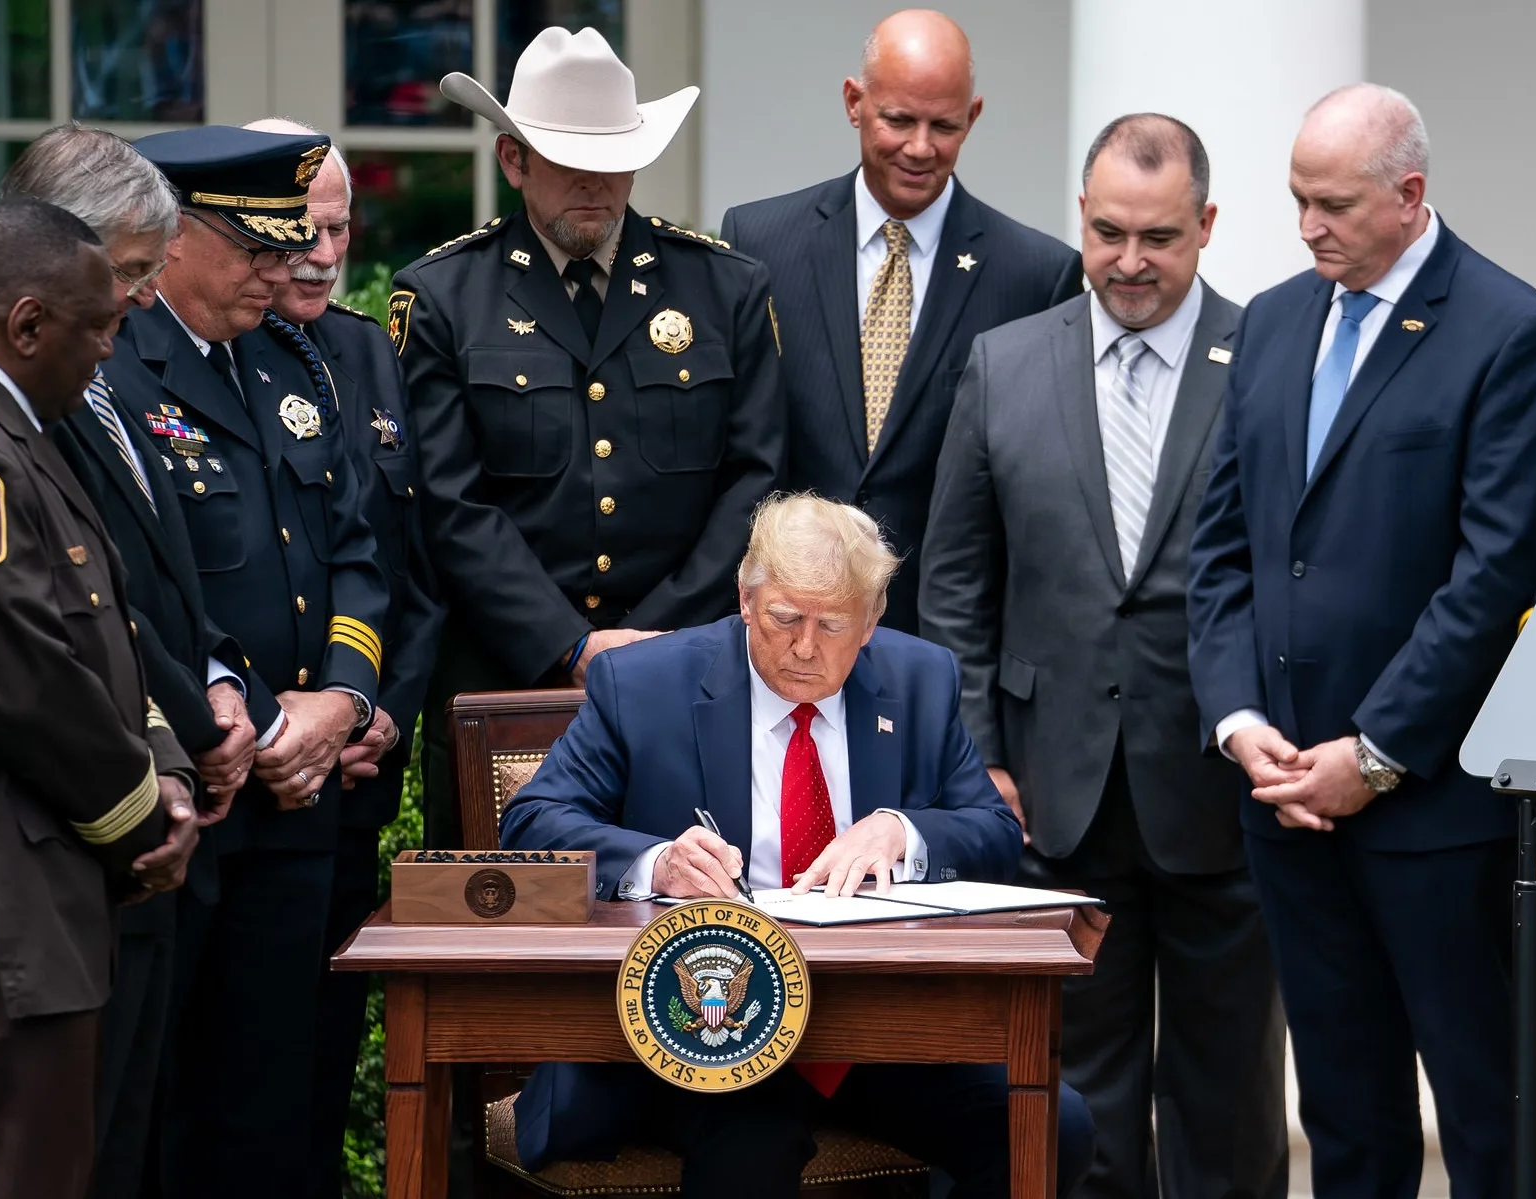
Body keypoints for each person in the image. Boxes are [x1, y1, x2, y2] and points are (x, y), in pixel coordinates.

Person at [1186, 84, 1536, 1197]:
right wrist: (1240, 720)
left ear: (1409, 196)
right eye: (1298, 201)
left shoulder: (1513, 332)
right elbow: (1223, 547)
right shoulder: (1270, 320)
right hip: (1287, 800)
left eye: (1333, 205)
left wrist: (1373, 752)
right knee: (1345, 1111)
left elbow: (1493, 575)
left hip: (1435, 810)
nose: (1308, 227)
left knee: (1483, 1103)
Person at [500, 493, 1092, 1198]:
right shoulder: (644, 682)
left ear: (871, 622)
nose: (806, 647)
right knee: (753, 1149)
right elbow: (533, 820)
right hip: (708, 1027)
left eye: (833, 624)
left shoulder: (919, 679)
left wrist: (903, 830)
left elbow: (994, 831)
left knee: (1055, 1122)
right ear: (746, 601)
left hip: (879, 1031)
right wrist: (658, 860)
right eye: (785, 619)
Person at [921, 114, 1285, 1199]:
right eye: (1109, 231)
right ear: (1080, 218)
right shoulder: (1005, 361)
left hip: (1219, 784)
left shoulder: (1268, 358)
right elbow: (954, 581)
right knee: (1079, 1090)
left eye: (1160, 237)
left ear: (1207, 226)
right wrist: (978, 753)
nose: (1131, 261)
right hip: (1048, 787)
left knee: (1227, 1090)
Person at [395, 26, 784, 848]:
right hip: (506, 679)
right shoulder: (443, 296)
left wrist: (651, 642)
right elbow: (449, 501)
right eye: (567, 161)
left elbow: (754, 479)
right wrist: (569, 642)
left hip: (688, 671)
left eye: (611, 161)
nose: (594, 185)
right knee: (504, 934)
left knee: (685, 919)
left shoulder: (724, 287)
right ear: (512, 161)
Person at [114, 126, 391, 1199]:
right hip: (204, 782)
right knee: (171, 1103)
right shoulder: (120, 365)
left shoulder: (292, 359)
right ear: (176, 236)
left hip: (303, 798)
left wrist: (340, 697)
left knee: (277, 1105)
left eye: (294, 246)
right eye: (259, 249)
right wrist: (261, 721)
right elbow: (138, 581)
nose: (287, 270)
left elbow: (359, 550)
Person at [0, 123, 256, 1199]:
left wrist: (219, 694)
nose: (145, 299)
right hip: (94, 829)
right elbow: (69, 627)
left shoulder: (100, 375)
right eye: (134, 270)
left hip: (159, 798)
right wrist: (185, 741)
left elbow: (168, 579)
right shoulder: (16, 405)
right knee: (80, 1146)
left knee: (136, 1130)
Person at [0, 198, 196, 1199]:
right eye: (101, 329)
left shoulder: (13, 427)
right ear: (28, 324)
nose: (111, 352)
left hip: (35, 912)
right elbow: (25, 674)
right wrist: (142, 819)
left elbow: (108, 633)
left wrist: (164, 762)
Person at [719, 9, 1081, 635]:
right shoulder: (759, 244)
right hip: (785, 628)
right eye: (898, 119)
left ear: (973, 117)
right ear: (854, 103)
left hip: (942, 639)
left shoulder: (1035, 274)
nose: (920, 147)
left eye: (943, 125)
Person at [244, 116, 446, 1198]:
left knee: (328, 1040)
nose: (325, 252)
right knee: (243, 1066)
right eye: (302, 231)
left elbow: (407, 562)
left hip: (358, 766)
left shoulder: (368, 347)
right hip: (257, 765)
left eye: (341, 227)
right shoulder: (207, 353)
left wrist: (378, 712)